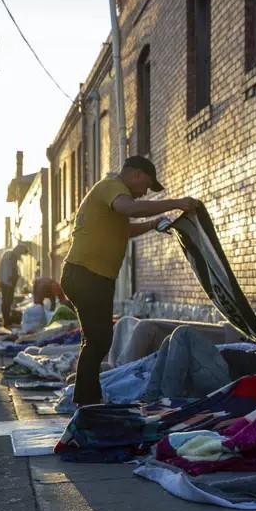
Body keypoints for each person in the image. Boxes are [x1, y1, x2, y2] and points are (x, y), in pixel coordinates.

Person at [60, 155, 199, 406]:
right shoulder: (112, 186)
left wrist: (153, 224)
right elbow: (131, 209)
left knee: (96, 339)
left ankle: (87, 398)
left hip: (91, 277)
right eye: (146, 185)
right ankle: (88, 400)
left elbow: (125, 230)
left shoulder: (116, 199)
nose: (145, 192)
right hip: (85, 275)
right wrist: (178, 203)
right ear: (135, 174)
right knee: (99, 339)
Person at [0, 242, 30, 328]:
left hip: (4, 281)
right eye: (22, 253)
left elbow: (2, 269)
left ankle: (6, 320)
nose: (21, 256)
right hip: (7, 282)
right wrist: (13, 278)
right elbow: (12, 270)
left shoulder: (8, 253)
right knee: (7, 302)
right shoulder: (12, 256)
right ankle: (6, 321)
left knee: (6, 302)